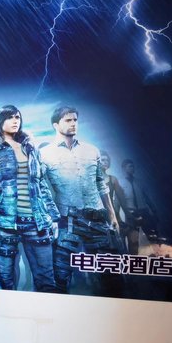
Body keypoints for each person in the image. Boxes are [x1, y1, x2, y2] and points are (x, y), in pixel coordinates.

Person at [40, 106, 122, 294]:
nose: (73, 124)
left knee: (109, 274)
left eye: (75, 120)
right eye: (68, 120)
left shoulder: (91, 150)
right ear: (55, 125)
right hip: (67, 221)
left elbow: (101, 184)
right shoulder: (45, 154)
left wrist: (112, 216)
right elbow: (40, 190)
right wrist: (51, 219)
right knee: (61, 275)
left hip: (97, 219)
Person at [0, 105, 58, 292]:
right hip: (6, 222)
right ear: (0, 121)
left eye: (17, 117)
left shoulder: (30, 148)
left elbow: (40, 183)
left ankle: (44, 310)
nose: (15, 121)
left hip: (36, 221)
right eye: (10, 117)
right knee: (6, 280)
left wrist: (53, 216)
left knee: (46, 278)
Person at [116, 158, 159, 254]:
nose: (132, 168)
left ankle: (153, 258)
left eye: (133, 166)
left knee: (152, 238)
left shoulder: (139, 182)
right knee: (133, 240)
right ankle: (133, 260)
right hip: (131, 214)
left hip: (144, 211)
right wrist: (118, 218)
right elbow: (118, 202)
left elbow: (147, 198)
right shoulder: (120, 183)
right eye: (130, 166)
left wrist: (154, 211)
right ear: (124, 168)